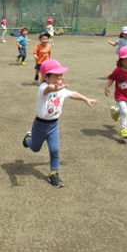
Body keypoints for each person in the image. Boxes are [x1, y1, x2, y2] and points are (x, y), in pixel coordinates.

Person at [22, 59, 97, 188]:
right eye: (55, 75)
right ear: (46, 77)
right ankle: (28, 139)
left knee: (55, 150)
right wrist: (54, 87)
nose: (59, 77)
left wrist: (86, 99)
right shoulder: (44, 87)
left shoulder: (61, 89)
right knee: (35, 148)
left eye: (61, 75)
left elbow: (72, 93)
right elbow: (48, 90)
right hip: (40, 125)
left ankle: (54, 174)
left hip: (53, 126)